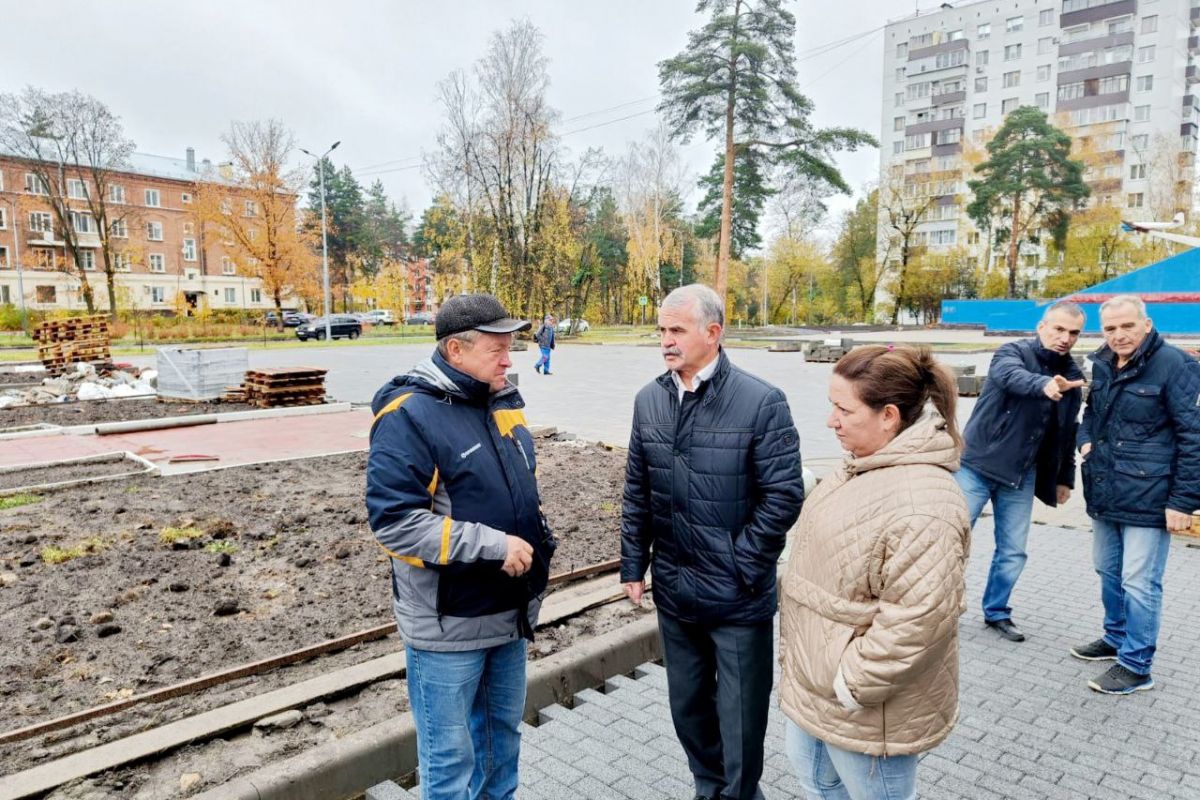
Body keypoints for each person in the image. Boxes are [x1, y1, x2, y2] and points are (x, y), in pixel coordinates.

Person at [365, 293, 556, 799]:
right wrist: (493, 545)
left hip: (507, 614)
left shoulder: (501, 403)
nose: (508, 359)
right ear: (455, 350)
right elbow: (394, 524)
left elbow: (519, 488)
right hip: (447, 628)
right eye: (497, 349)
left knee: (501, 751)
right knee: (450, 767)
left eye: (510, 347)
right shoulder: (408, 416)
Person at [620, 283, 805, 800]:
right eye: (661, 330)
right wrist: (634, 564)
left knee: (741, 718)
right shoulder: (649, 399)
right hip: (676, 592)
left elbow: (784, 496)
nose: (666, 341)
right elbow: (638, 489)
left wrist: (741, 561)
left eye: (676, 330)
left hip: (737, 597)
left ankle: (740, 794)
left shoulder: (761, 401)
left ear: (713, 333)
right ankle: (709, 787)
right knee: (689, 706)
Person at [779, 345, 970, 800]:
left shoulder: (923, 504)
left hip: (865, 705)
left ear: (888, 416)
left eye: (844, 409)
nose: (831, 421)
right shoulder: (862, 466)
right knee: (819, 784)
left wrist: (851, 684)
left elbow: (920, 618)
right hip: (819, 686)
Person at [1072, 294, 1200, 694]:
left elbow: (1193, 437)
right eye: (1110, 328)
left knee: (1140, 581)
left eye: (1127, 326)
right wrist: (1085, 442)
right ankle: (1116, 637)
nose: (1119, 335)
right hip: (1107, 487)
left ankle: (1137, 664)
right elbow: (1091, 412)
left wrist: (1183, 502)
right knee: (1107, 570)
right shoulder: (1103, 362)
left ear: (1146, 324)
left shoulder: (1176, 365)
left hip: (1151, 493)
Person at [955, 301, 1087, 643]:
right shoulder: (1011, 352)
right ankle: (934, 606)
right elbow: (1011, 377)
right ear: (1042, 326)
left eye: (1073, 332)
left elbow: (1066, 432)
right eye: (1058, 329)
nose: (1065, 338)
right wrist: (1044, 385)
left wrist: (1063, 478)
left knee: (1013, 551)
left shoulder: (1072, 377)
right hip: (978, 465)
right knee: (951, 541)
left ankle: (997, 612)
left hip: (1021, 476)